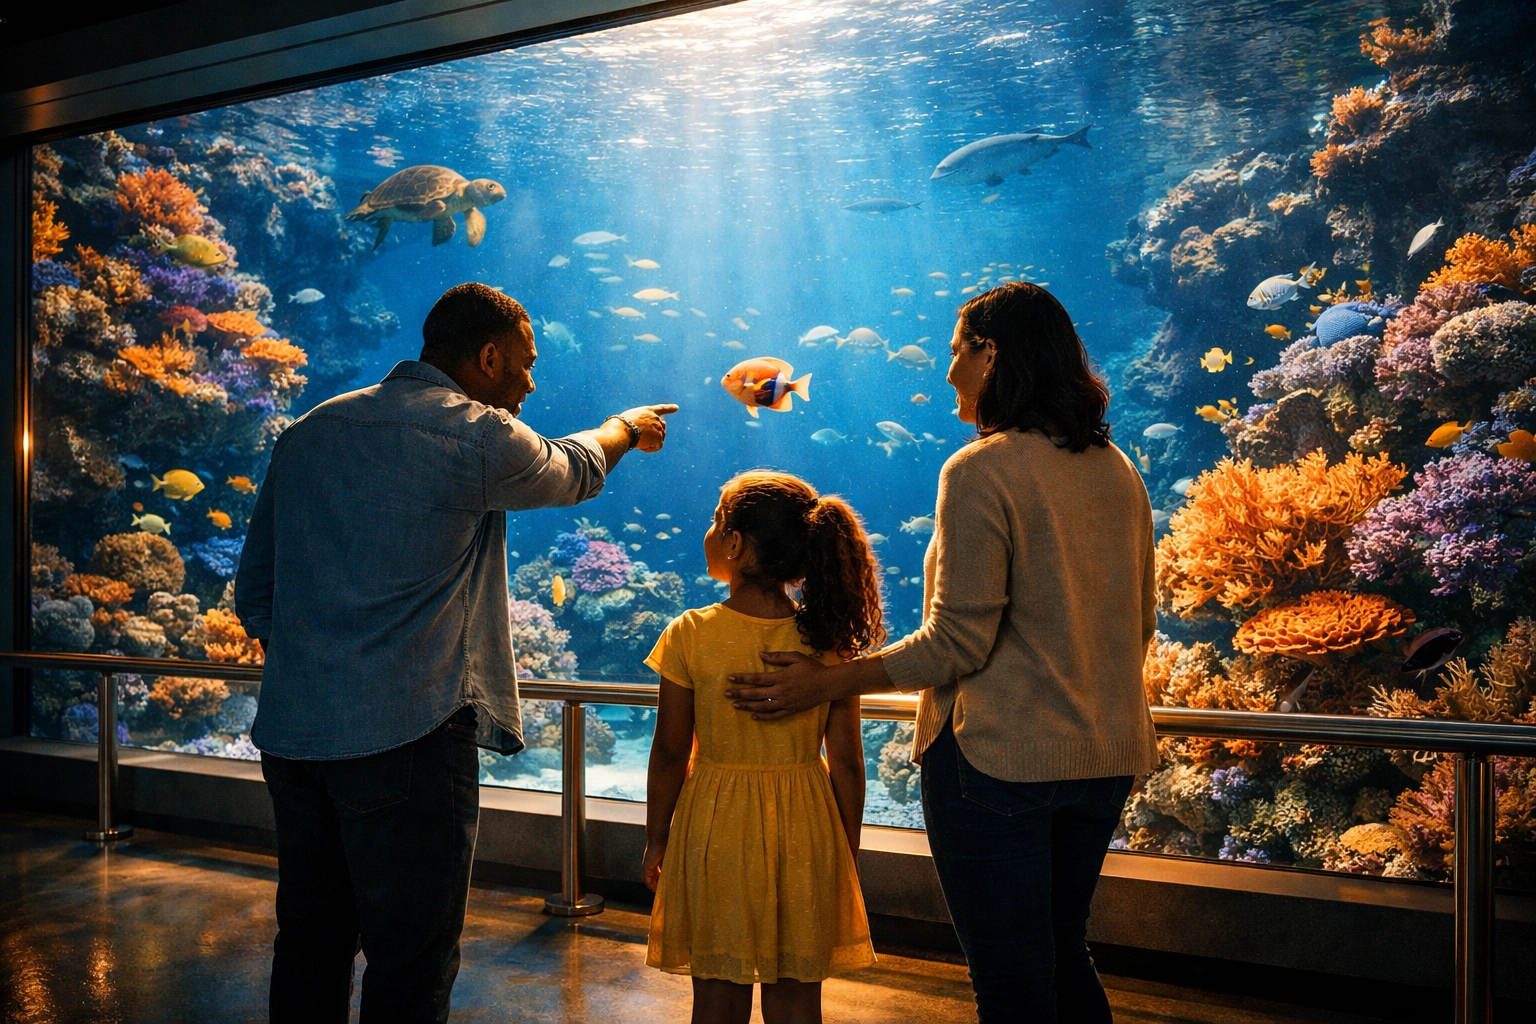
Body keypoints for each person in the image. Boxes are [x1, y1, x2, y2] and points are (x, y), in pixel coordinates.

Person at [234, 282, 676, 1024]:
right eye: (526, 366)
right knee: (411, 956)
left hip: (295, 740)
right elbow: (569, 468)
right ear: (489, 355)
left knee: (310, 940)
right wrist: (624, 427)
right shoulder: (468, 433)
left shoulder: (310, 429)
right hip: (409, 740)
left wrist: (324, 666)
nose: (532, 384)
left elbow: (256, 592)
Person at [724, 283, 1159, 1023]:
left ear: (990, 355)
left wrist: (830, 681)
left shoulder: (982, 469)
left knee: (1013, 982)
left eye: (957, 351)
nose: (948, 371)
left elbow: (958, 639)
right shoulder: (1115, 467)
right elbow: (1140, 621)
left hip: (1000, 762)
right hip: (1106, 755)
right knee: (1064, 954)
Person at [641, 471, 884, 1024]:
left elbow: (670, 753)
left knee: (718, 999)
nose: (709, 531)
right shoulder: (826, 639)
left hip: (716, 828)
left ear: (735, 543)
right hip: (807, 827)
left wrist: (657, 839)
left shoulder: (690, 633)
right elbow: (847, 761)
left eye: (715, 520)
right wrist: (845, 850)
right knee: (798, 1001)